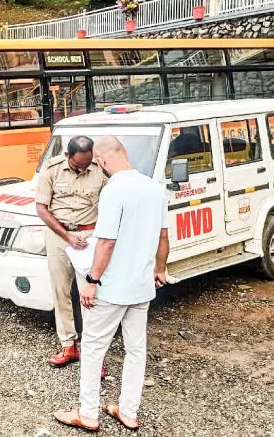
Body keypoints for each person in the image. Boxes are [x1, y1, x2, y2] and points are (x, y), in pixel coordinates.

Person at [55, 135, 170, 432]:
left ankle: (88, 413)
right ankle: (128, 411)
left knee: (94, 348)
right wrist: (160, 269)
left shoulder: (114, 191)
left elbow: (105, 242)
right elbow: (163, 237)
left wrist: (91, 280)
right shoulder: (155, 188)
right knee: (135, 349)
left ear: (102, 161)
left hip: (112, 288)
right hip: (141, 286)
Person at [35, 136, 105, 368]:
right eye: (77, 166)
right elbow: (41, 208)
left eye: (86, 165)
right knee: (61, 291)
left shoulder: (100, 170)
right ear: (67, 156)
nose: (82, 169)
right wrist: (67, 236)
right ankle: (68, 345)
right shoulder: (52, 169)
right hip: (60, 235)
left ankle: (92, 351)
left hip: (89, 236)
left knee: (90, 294)